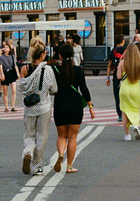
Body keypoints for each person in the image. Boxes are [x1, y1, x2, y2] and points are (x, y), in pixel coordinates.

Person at [53, 44, 95, 173]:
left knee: (61, 135)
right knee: (72, 137)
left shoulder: (54, 69)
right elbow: (84, 89)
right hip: (75, 105)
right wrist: (90, 107)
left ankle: (60, 154)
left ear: (60, 55)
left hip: (60, 104)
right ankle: (69, 166)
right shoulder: (77, 70)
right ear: (72, 55)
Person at [19, 41, 57, 175]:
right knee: (42, 136)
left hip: (29, 107)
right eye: (45, 53)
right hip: (44, 107)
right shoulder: (47, 69)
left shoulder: (25, 68)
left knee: (29, 134)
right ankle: (37, 165)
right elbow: (53, 89)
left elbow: (22, 87)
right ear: (41, 55)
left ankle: (27, 152)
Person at [117, 43, 140, 141]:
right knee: (135, 109)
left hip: (124, 89)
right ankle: (136, 126)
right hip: (135, 89)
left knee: (124, 111)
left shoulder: (122, 62)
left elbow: (118, 76)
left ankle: (127, 135)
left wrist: (120, 64)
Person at [106, 34, 126, 122]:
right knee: (125, 95)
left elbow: (109, 65)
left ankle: (120, 115)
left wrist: (107, 77)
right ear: (123, 40)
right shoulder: (126, 50)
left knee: (117, 95)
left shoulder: (112, 51)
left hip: (115, 75)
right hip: (126, 75)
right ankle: (126, 112)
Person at [0, 44, 19, 112]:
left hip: (12, 72)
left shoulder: (12, 56)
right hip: (5, 72)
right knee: (5, 92)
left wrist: (18, 73)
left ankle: (13, 106)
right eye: (4, 47)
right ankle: (6, 107)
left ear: (9, 49)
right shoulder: (1, 57)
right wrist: (1, 74)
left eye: (7, 47)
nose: (5, 48)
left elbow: (15, 65)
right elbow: (0, 67)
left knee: (14, 90)